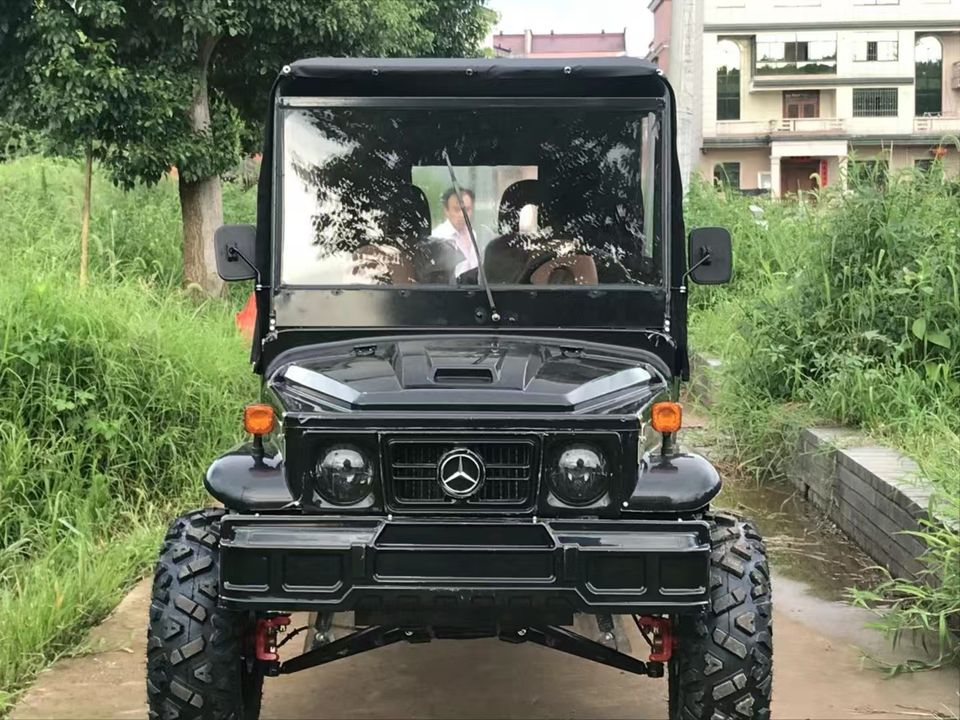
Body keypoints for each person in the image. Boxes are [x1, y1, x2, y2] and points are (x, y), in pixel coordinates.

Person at [431, 187, 479, 278]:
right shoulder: (438, 237)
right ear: (446, 211)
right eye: (457, 210)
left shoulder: (472, 234)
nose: (462, 215)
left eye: (467, 209)